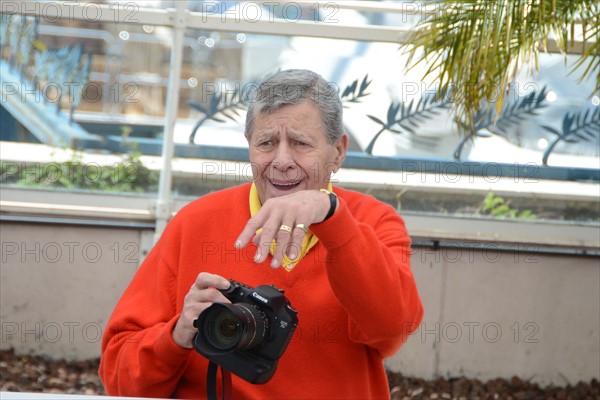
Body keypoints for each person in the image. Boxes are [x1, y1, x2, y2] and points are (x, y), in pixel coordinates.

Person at [99, 69, 424, 399]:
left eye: (300, 143)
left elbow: (392, 332)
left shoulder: (373, 221)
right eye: (267, 143)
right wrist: (178, 334)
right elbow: (119, 378)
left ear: (337, 152)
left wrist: (333, 218)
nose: (282, 161)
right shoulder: (194, 223)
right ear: (249, 147)